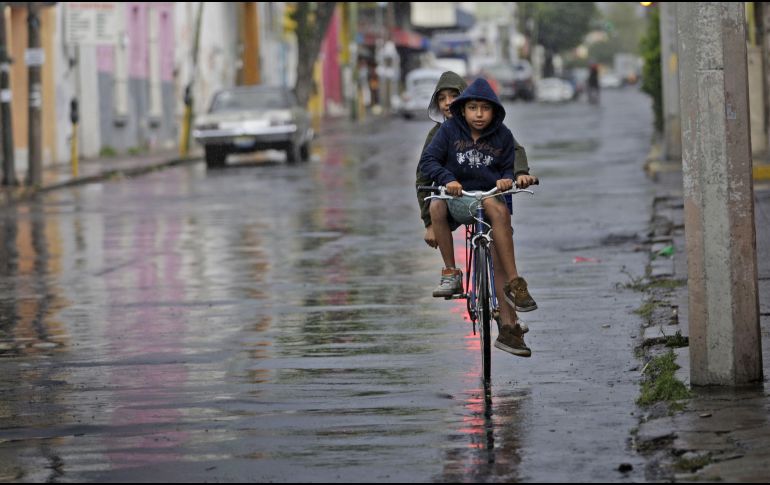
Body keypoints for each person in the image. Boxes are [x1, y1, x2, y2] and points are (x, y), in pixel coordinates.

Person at [418, 77, 538, 357]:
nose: (479, 114)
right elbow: (425, 169)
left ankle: (511, 315)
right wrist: (430, 218)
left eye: (485, 108)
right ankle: (451, 273)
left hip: (492, 200)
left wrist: (514, 177)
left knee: (498, 259)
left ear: (494, 110)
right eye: (472, 107)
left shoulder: (501, 134)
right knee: (436, 204)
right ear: (463, 109)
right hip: (456, 199)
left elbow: (512, 160)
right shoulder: (445, 133)